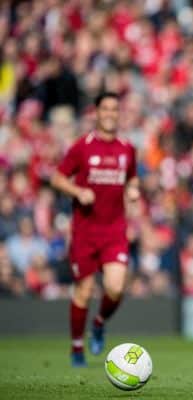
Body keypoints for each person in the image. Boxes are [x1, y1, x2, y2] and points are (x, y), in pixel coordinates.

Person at [51, 92, 140, 367]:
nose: (111, 114)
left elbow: (132, 178)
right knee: (84, 291)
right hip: (85, 233)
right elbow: (57, 178)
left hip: (114, 231)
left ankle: (99, 323)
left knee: (114, 289)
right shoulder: (82, 147)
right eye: (106, 109)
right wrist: (78, 191)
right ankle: (77, 347)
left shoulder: (127, 148)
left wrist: (133, 190)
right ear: (97, 113)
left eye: (115, 109)